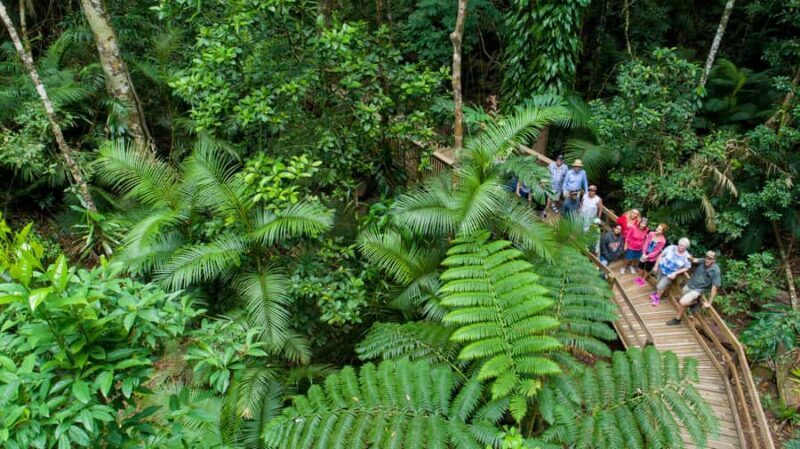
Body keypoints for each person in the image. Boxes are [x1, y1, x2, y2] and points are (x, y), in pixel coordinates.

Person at [650, 237, 693, 306]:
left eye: (684, 246)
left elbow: (687, 267)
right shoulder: (671, 248)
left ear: (686, 247)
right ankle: (657, 293)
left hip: (670, 274)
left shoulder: (687, 256)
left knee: (660, 286)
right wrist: (656, 265)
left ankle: (657, 298)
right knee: (658, 282)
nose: (682, 247)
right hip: (661, 268)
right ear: (678, 244)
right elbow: (661, 255)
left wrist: (675, 273)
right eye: (681, 245)